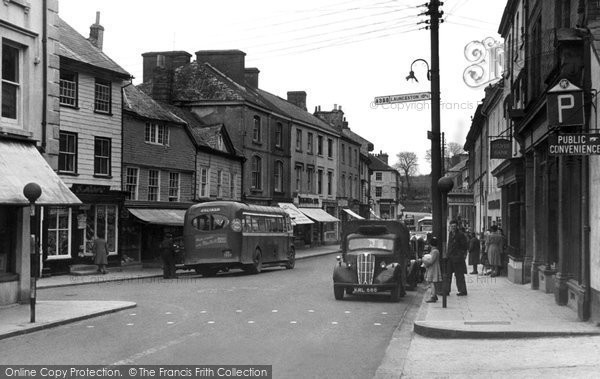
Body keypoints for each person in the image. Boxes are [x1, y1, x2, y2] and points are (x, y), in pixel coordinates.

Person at [445, 219, 469, 296]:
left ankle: (462, 290)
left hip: (457, 258)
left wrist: (460, 255)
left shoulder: (461, 235)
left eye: (454, 226)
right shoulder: (449, 234)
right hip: (450, 258)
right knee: (448, 275)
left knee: (459, 275)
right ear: (450, 226)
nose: (453, 227)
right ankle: (446, 290)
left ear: (457, 226)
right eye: (452, 226)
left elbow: (464, 246)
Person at [422, 237, 442, 303]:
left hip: (433, 268)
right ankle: (434, 295)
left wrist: (424, 260)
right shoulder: (435, 251)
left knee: (431, 282)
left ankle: (433, 296)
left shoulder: (434, 251)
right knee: (432, 282)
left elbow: (431, 261)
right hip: (434, 268)